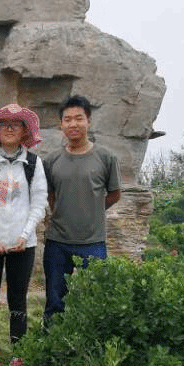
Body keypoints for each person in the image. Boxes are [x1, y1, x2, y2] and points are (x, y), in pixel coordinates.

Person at [0, 104, 48, 366]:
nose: (10, 128)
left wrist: (25, 234)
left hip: (22, 244)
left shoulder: (34, 163)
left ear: (25, 130)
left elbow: (39, 203)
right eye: (4, 124)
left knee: (18, 300)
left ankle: (19, 352)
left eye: (16, 124)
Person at [42, 95, 121, 324]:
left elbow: (114, 194)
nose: (73, 124)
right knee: (55, 300)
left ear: (89, 121)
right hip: (57, 242)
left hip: (93, 242)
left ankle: (90, 342)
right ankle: (52, 340)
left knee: (95, 299)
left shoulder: (106, 157)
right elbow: (51, 196)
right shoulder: (51, 160)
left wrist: (92, 208)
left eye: (79, 118)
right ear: (61, 124)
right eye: (67, 119)